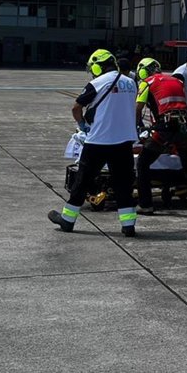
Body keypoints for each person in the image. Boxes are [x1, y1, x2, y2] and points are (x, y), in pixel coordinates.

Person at [49, 48, 141, 237]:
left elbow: (76, 108)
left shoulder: (97, 83)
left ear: (98, 67)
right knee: (123, 184)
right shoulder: (131, 82)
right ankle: (128, 226)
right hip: (124, 141)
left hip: (99, 141)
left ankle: (68, 220)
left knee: (82, 181)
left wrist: (82, 125)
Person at [135, 57, 187, 213]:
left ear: (142, 72)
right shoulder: (175, 80)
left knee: (142, 163)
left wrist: (137, 126)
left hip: (166, 126)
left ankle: (145, 205)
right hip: (185, 125)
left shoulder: (147, 82)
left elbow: (138, 108)